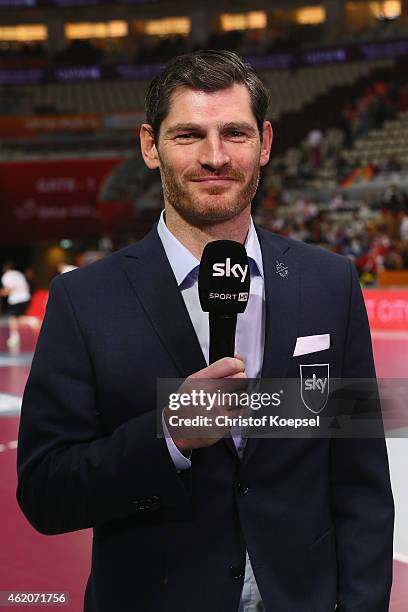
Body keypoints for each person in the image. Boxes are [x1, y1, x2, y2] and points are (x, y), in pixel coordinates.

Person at [17, 50, 394, 612]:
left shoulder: (328, 283)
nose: (215, 157)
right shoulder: (84, 300)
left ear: (265, 143)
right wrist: (169, 434)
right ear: (151, 146)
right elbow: (47, 491)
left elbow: (360, 483)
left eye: (235, 133)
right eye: (189, 134)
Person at [0, 260, 31, 348]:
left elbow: (8, 290)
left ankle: (14, 337)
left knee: (12, 318)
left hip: (16, 299)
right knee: (18, 318)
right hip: (25, 298)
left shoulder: (6, 276)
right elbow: (26, 286)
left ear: (6, 268)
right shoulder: (19, 274)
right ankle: (30, 321)